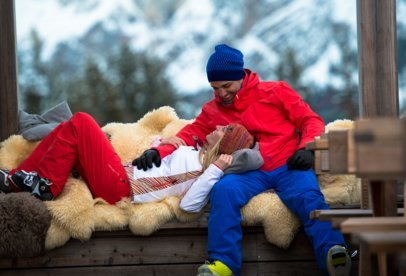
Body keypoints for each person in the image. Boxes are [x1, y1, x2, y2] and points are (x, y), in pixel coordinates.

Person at [133, 44, 351, 276]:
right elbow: (190, 133)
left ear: (240, 76)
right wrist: (160, 151)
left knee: (308, 196)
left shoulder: (276, 92)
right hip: (249, 172)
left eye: (226, 86)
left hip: (288, 163)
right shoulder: (212, 109)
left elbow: (310, 120)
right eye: (215, 88)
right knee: (224, 191)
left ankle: (333, 251)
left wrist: (308, 148)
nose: (221, 93)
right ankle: (223, 264)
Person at [0, 112, 262, 213]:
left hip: (122, 187)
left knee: (82, 122)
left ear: (223, 145)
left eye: (225, 130)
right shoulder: (191, 151)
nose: (218, 126)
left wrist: (216, 169)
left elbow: (189, 204)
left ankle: (46, 185)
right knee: (67, 128)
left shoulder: (201, 169)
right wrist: (163, 142)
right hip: (123, 174)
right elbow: (156, 166)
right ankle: (18, 178)